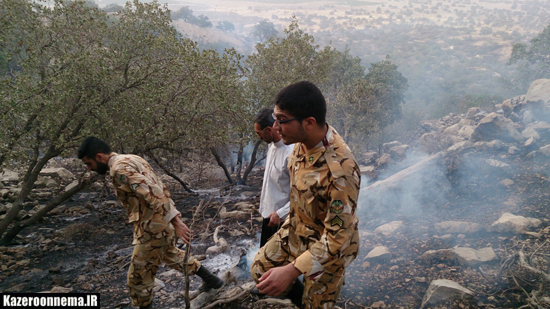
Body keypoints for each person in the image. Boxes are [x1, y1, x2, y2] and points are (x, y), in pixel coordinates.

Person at [250, 81, 361, 309]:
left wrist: (291, 271)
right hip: (298, 228)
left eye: (282, 120)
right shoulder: (302, 142)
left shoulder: (340, 171)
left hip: (329, 247)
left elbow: (337, 237)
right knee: (260, 269)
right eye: (275, 119)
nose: (276, 127)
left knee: (315, 304)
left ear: (309, 122)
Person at [78, 137, 223, 309]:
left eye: (89, 163)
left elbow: (151, 191)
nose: (88, 168)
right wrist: (172, 217)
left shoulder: (119, 169)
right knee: (171, 255)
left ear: (99, 157)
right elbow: (160, 186)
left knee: (138, 279)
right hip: (160, 224)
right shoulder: (132, 158)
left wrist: (175, 220)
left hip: (153, 227)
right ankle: (213, 281)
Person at [253, 107, 293, 247]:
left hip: (283, 221)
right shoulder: (271, 146)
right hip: (268, 217)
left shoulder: (291, 153)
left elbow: (301, 195)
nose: (258, 137)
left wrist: (281, 213)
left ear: (269, 130)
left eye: (259, 133)